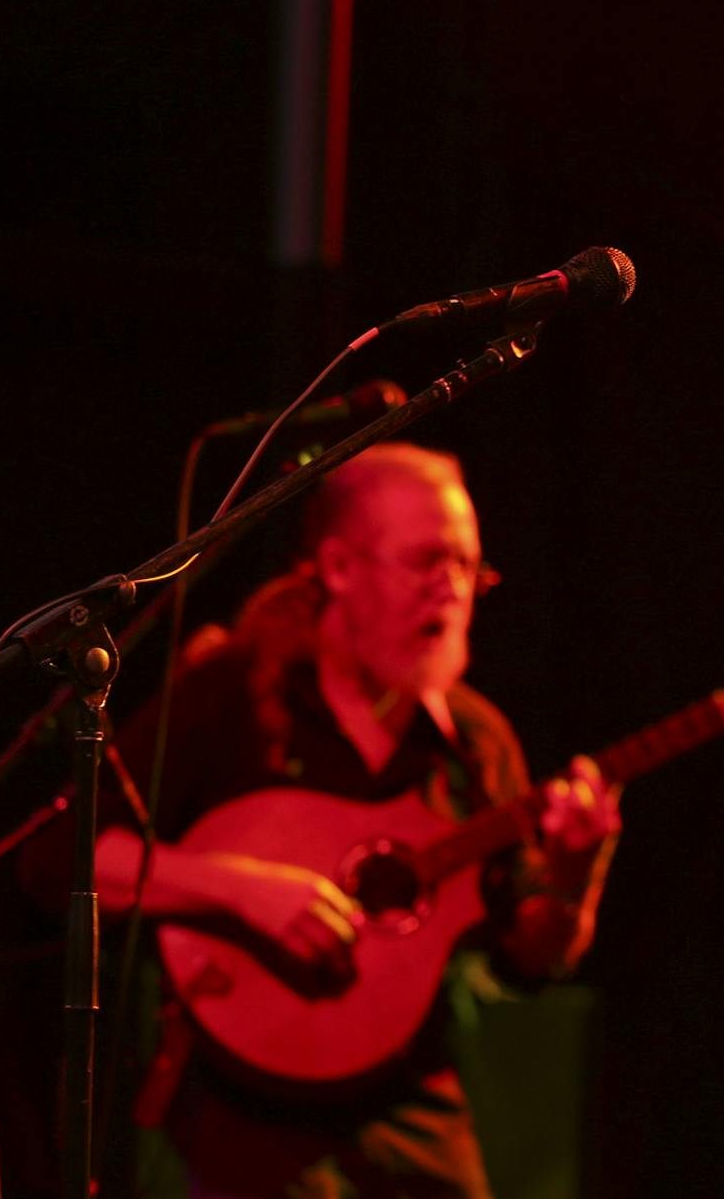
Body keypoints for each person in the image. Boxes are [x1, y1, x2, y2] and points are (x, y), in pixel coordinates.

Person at [75, 442, 619, 1199]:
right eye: (427, 562)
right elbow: (64, 861)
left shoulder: (475, 741)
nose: (452, 590)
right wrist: (240, 890)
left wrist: (576, 874)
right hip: (237, 1112)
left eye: (467, 567)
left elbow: (531, 962)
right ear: (338, 568)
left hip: (409, 1108)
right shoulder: (229, 695)